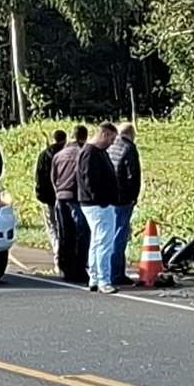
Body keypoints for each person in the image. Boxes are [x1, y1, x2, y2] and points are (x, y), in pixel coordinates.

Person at [77, 123, 120, 294]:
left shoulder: (97, 152)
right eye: (111, 138)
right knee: (104, 242)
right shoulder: (90, 153)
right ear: (104, 134)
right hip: (97, 204)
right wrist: (102, 200)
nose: (112, 142)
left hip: (95, 203)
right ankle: (104, 279)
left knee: (96, 241)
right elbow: (90, 181)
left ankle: (94, 277)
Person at [52, 125, 90, 283]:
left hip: (60, 196)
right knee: (81, 234)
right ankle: (79, 269)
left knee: (64, 234)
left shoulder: (59, 155)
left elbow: (53, 178)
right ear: (84, 137)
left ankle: (65, 268)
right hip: (76, 197)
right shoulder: (83, 154)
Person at [108, 122, 142, 286]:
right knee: (120, 235)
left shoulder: (111, 146)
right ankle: (117, 273)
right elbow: (133, 176)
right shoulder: (129, 148)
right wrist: (134, 197)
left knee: (109, 235)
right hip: (123, 199)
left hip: (109, 198)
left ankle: (107, 271)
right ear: (131, 134)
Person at [35, 130, 66, 269]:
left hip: (47, 197)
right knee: (63, 226)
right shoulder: (66, 154)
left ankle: (57, 250)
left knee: (52, 226)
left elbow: (39, 176)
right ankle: (63, 252)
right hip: (64, 195)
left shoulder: (44, 155)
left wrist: (40, 193)